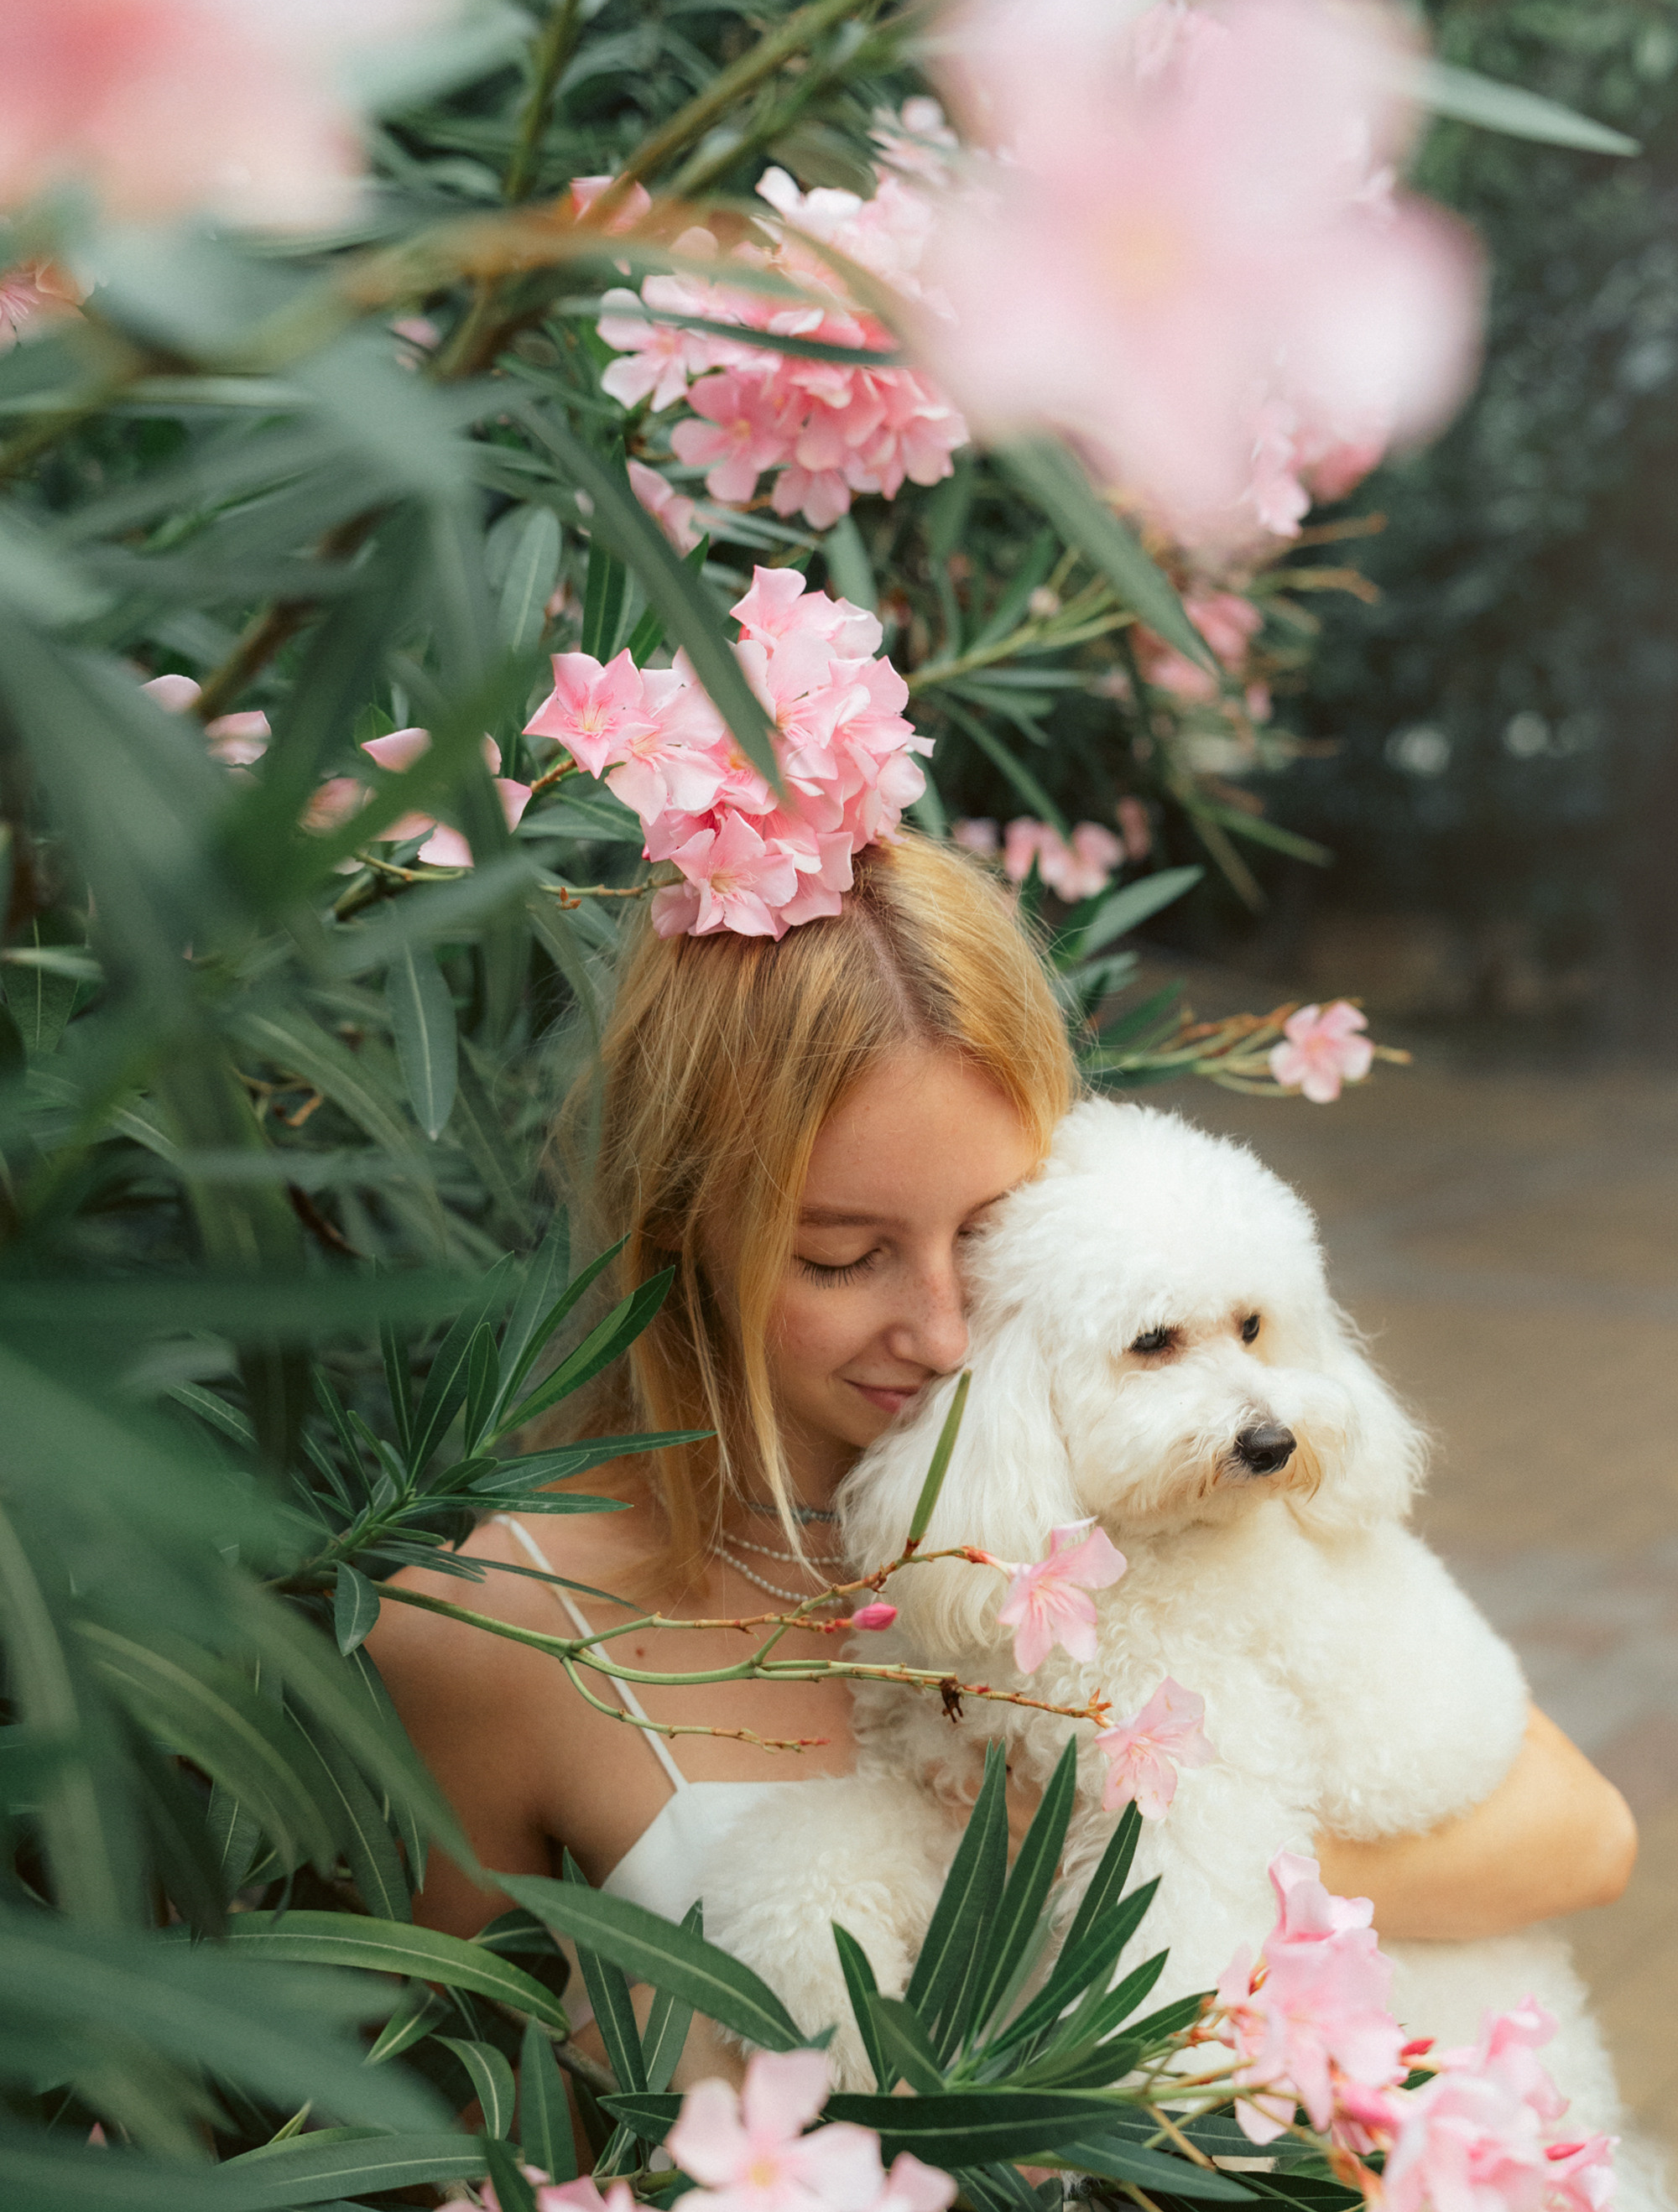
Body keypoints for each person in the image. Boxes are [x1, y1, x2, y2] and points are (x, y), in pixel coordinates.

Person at [370, 831, 1636, 2085]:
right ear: (684, 1225)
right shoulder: (490, 1634)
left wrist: (1140, 1856)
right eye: (842, 1257)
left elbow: (1585, 1839)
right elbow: (439, 2119)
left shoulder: (1184, 1517)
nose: (939, 1330)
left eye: (989, 1239)